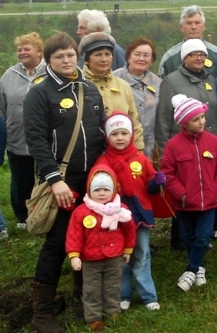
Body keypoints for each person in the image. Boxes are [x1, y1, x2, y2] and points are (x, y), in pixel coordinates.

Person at [25, 32, 107, 333]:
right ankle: (42, 313)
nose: (66, 60)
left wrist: (104, 175)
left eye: (70, 55)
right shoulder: (40, 94)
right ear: (49, 60)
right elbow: (36, 141)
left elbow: (99, 132)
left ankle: (82, 298)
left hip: (90, 180)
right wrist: (55, 179)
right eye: (59, 56)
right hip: (61, 181)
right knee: (58, 243)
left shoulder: (88, 89)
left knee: (88, 238)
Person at [93, 112, 165, 312]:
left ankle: (148, 295)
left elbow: (150, 186)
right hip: (114, 217)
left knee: (142, 254)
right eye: (115, 134)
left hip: (139, 214)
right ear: (108, 137)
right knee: (119, 257)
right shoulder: (103, 161)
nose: (120, 138)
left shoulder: (140, 158)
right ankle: (123, 294)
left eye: (124, 133)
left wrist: (156, 182)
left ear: (131, 134)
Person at [156, 39, 217, 247]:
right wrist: (166, 148)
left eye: (202, 54)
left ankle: (206, 234)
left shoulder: (210, 79)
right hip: (182, 146)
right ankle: (182, 239)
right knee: (184, 190)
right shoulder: (171, 81)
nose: (199, 58)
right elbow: (164, 117)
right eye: (194, 54)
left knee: (207, 186)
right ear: (184, 58)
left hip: (208, 145)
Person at [160, 94, 217, 292]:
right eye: (196, 119)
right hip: (185, 203)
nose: (202, 122)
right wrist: (180, 193)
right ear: (184, 123)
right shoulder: (173, 146)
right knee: (190, 237)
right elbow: (167, 173)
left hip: (209, 201)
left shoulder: (214, 141)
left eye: (202, 117)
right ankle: (199, 267)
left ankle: (190, 269)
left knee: (203, 236)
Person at [65, 165, 136, 332]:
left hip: (114, 256)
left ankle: (113, 311)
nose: (102, 193)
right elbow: (74, 235)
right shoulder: (81, 212)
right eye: (97, 190)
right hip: (90, 259)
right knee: (92, 289)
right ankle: (94, 317)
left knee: (113, 286)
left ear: (113, 190)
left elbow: (129, 231)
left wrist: (127, 250)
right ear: (89, 191)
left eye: (106, 189)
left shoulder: (120, 210)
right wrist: (74, 255)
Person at [0, 32, 48, 229]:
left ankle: (45, 212)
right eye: (19, 49)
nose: (22, 52)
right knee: (21, 179)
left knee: (45, 176)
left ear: (39, 51)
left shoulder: (50, 71)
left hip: (45, 137)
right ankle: (22, 216)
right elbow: (2, 106)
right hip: (17, 137)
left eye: (26, 48)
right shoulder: (9, 75)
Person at [79, 32, 145, 151]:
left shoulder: (123, 85)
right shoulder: (78, 85)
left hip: (121, 154)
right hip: (89, 155)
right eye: (98, 55)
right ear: (87, 59)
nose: (104, 59)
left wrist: (138, 151)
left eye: (108, 54)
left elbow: (134, 122)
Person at [113, 38, 162, 157]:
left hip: (150, 150)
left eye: (146, 55)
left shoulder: (158, 83)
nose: (141, 59)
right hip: (119, 147)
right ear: (128, 56)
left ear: (152, 60)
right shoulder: (114, 79)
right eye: (137, 54)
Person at [158, 6, 217, 78]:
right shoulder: (169, 59)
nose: (194, 27)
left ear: (204, 26)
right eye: (189, 23)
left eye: (197, 23)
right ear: (181, 27)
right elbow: (160, 86)